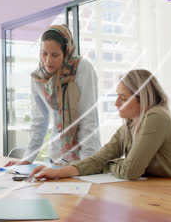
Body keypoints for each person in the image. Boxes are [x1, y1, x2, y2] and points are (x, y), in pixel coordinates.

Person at [29, 69, 171, 181]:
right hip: (159, 192)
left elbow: (130, 171)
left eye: (123, 98)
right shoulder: (129, 126)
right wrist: (57, 172)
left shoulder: (156, 116)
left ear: (142, 99)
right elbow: (98, 159)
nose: (116, 103)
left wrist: (107, 166)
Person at [6, 24, 101, 166]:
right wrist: (27, 159)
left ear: (67, 52)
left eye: (55, 55)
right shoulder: (39, 78)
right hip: (57, 157)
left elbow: (88, 118)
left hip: (84, 156)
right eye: (44, 53)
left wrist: (86, 162)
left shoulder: (82, 69)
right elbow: (39, 121)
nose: (48, 61)